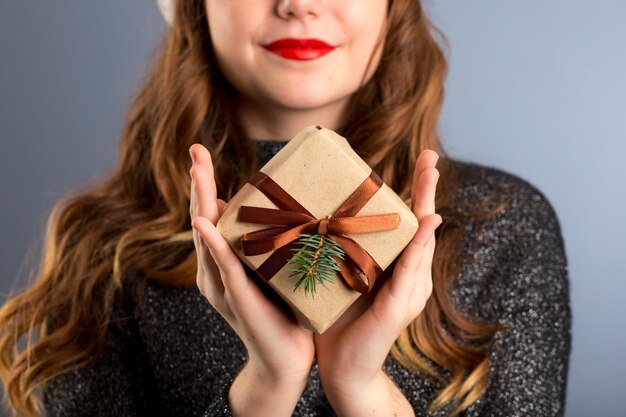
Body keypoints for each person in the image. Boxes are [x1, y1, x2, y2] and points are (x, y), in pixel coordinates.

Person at [0, 0, 571, 416]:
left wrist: (360, 386)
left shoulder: (501, 222)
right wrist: (266, 388)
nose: (298, 5)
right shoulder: (101, 242)